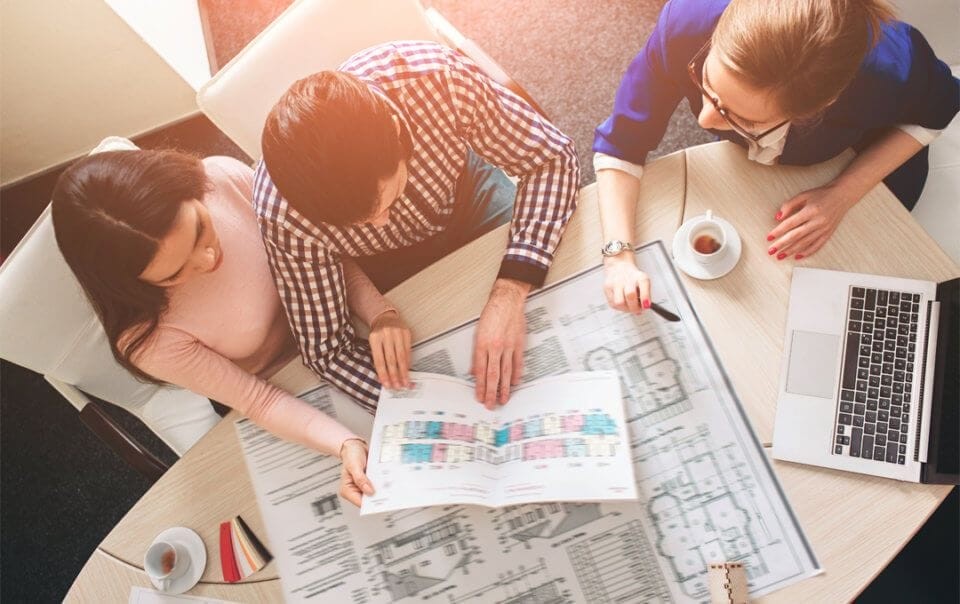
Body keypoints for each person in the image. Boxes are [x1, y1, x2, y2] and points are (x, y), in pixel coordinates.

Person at [51, 149, 396, 506]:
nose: (209, 258)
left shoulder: (221, 178)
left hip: (344, 321)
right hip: (287, 392)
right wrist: (344, 444)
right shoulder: (147, 338)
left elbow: (319, 254)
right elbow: (258, 400)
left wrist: (380, 313)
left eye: (200, 228)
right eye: (174, 273)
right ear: (132, 284)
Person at [255, 41, 581, 411]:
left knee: (552, 293)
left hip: (468, 196)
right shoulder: (279, 210)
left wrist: (510, 290)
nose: (381, 222)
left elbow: (552, 160)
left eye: (385, 202)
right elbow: (327, 350)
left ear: (397, 130)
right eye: (359, 222)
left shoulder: (440, 78)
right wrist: (413, 412)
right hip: (381, 263)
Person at [594, 0, 959, 314]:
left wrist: (841, 195)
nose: (704, 119)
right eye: (707, 79)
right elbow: (622, 144)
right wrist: (619, 258)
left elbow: (937, 112)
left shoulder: (890, 69)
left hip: (864, 168)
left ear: (822, 107)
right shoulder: (684, 21)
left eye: (744, 118)